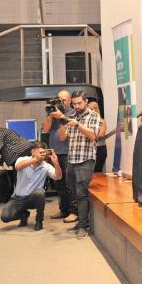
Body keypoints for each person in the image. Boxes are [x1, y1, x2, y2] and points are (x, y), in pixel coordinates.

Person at [53, 91, 101, 238]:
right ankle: (81, 220)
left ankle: (83, 226)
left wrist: (77, 124)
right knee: (73, 192)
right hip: (72, 159)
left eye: (79, 103)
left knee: (81, 193)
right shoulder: (71, 116)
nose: (77, 106)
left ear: (86, 101)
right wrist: (62, 119)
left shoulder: (93, 116)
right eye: (74, 104)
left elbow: (93, 135)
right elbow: (62, 137)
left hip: (86, 159)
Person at [1, 142, 62, 231]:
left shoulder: (46, 166)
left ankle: (39, 220)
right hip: (18, 197)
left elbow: (58, 177)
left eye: (43, 153)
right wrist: (35, 159)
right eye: (39, 152)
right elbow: (18, 166)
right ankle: (24, 215)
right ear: (32, 152)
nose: (42, 155)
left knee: (40, 193)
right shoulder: (22, 159)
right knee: (5, 217)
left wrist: (56, 163)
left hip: (32, 198)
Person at [42, 90, 77, 221]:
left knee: (70, 184)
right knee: (59, 184)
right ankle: (63, 210)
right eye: (59, 100)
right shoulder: (53, 112)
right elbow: (45, 130)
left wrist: (61, 116)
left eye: (64, 100)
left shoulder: (73, 113)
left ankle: (74, 212)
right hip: (55, 153)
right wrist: (50, 115)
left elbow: (63, 137)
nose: (61, 102)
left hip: (68, 153)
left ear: (70, 101)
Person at [87, 101, 108, 173]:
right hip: (89, 149)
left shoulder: (102, 121)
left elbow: (101, 134)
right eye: (90, 108)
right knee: (88, 170)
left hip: (100, 148)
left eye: (94, 108)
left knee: (97, 170)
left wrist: (89, 133)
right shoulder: (85, 121)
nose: (93, 110)